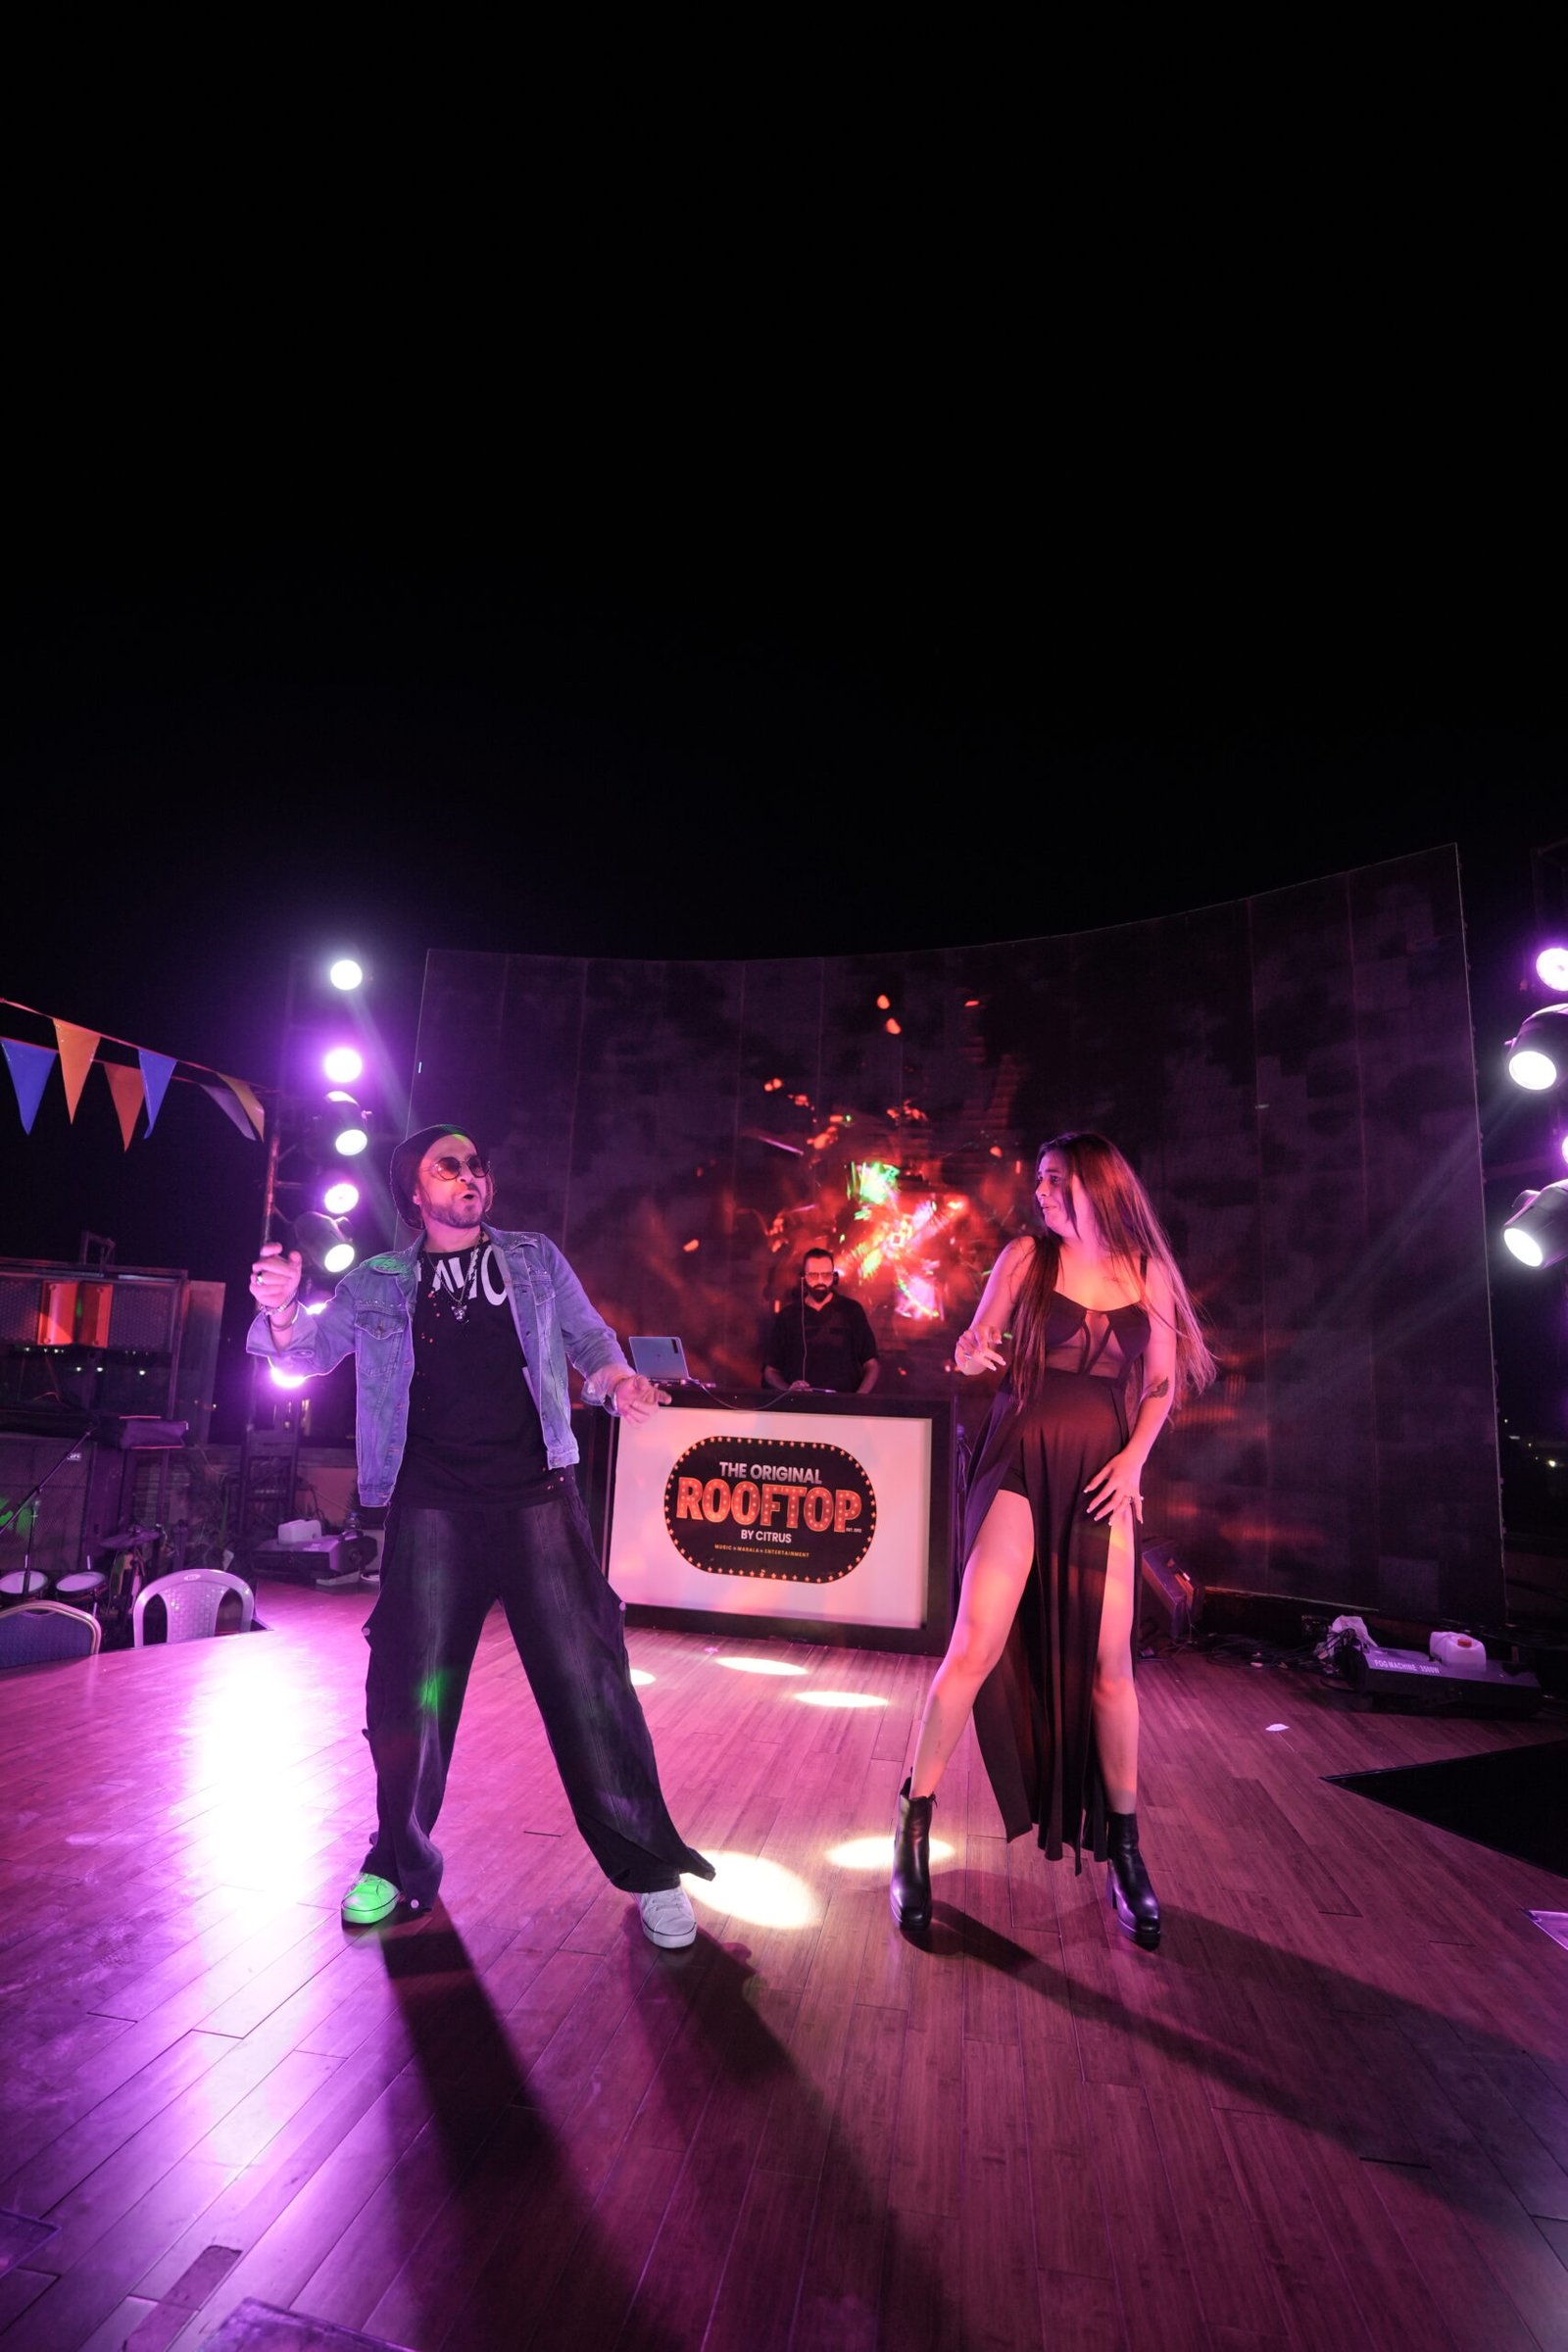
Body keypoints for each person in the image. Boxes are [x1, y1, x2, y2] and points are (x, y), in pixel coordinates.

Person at [247, 1123, 713, 1947]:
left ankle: (650, 1871)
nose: (470, 1175)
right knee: (409, 1690)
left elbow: (589, 1341)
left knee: (589, 1682)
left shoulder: (532, 1258)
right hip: (430, 1504)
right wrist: (281, 1309)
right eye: (449, 1166)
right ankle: (396, 1862)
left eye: (476, 1166)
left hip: (536, 1497)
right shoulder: (378, 1281)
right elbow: (304, 1358)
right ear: (415, 1191)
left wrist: (616, 1382)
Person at [891, 1132, 1215, 1949]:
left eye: (1055, 1179)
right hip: (1018, 1456)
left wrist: (1135, 1461)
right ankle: (913, 1823)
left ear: (1096, 1185)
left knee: (1111, 1670)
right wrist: (972, 1352)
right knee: (975, 1643)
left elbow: (1161, 1383)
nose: (1039, 1192)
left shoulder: (1149, 1272)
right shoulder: (1025, 1260)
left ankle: (1126, 1851)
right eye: (1038, 1180)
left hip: (1104, 1470)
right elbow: (977, 1348)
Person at [761, 1249, 881, 1395]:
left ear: (835, 1278)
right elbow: (770, 1371)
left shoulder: (852, 1311)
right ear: (803, 1278)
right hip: (801, 1404)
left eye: (826, 1275)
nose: (820, 1281)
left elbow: (872, 1364)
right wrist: (789, 1391)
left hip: (843, 1405)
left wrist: (858, 1399)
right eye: (813, 1275)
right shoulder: (788, 1316)